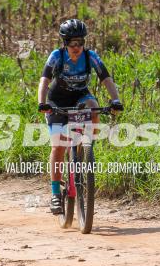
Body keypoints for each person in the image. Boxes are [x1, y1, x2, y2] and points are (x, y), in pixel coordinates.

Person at [38, 19, 124, 214]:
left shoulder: (90, 56)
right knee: (58, 146)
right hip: (57, 101)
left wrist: (115, 100)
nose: (76, 48)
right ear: (65, 43)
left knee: (94, 106)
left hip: (80, 97)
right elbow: (44, 80)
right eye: (72, 44)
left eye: (80, 43)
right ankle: (54, 194)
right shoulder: (57, 56)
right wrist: (41, 103)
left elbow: (106, 79)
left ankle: (87, 148)